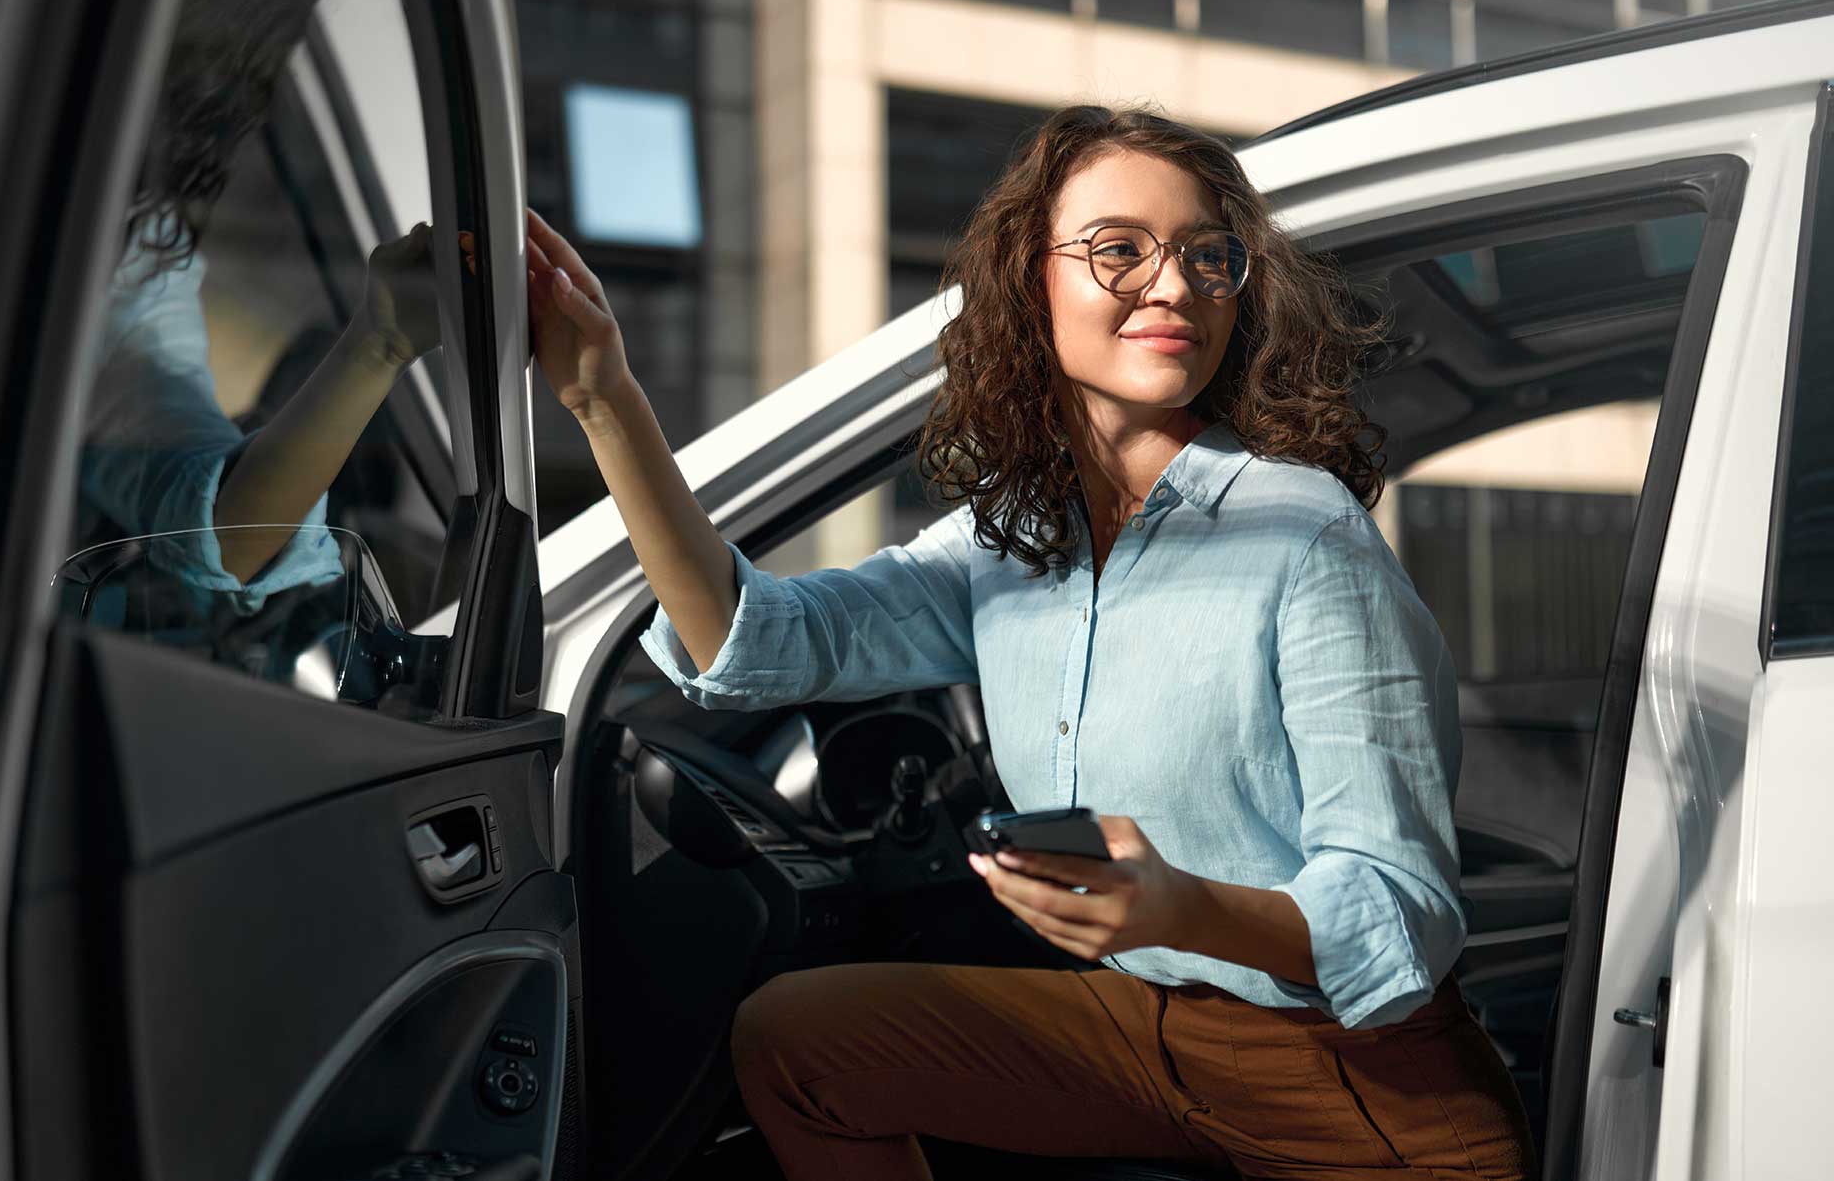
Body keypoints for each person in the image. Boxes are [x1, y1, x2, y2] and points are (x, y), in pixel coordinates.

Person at [524, 106, 1536, 1180]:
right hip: (1139, 1026)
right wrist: (602, 400)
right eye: (1118, 250)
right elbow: (753, 637)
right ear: (1029, 280)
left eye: (1207, 256)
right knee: (799, 1041)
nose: (1173, 285)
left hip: (1356, 1084)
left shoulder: (1307, 537)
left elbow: (1400, 909)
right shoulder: (1010, 538)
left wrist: (1181, 904)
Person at [75, 0, 471, 606]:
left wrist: (382, 345)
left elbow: (226, 533)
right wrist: (380, 346)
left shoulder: (127, 266)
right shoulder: (130, 259)